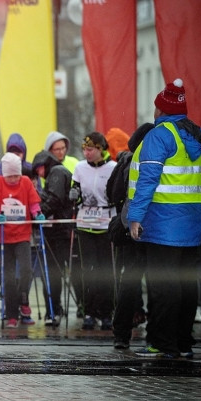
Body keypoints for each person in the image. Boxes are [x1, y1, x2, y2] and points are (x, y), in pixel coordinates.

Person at [129, 79, 201, 359]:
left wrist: (135, 217)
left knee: (163, 286)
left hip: (162, 223)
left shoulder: (160, 135)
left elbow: (147, 180)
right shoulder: (198, 136)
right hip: (191, 224)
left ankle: (162, 343)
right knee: (186, 285)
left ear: (161, 109)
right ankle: (183, 342)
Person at [108, 123, 153, 348]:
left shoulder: (126, 161)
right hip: (152, 229)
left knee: (129, 281)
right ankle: (156, 333)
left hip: (129, 229)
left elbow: (112, 193)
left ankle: (121, 333)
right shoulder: (151, 161)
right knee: (156, 282)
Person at [0, 152, 44, 326]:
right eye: (10, 176)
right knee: (9, 276)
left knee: (27, 271)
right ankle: (12, 314)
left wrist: (37, 213)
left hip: (22, 235)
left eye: (16, 176)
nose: (13, 179)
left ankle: (23, 299)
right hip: (3, 236)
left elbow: (33, 202)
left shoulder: (26, 182)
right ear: (4, 174)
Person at [70, 131, 117, 330]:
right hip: (85, 225)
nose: (86, 153)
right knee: (88, 270)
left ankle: (106, 313)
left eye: (90, 150)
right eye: (84, 149)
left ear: (100, 149)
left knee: (105, 270)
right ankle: (89, 312)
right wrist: (74, 194)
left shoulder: (113, 167)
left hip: (105, 225)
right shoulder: (80, 168)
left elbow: (118, 193)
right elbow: (75, 189)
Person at [33, 148, 74, 326]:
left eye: (38, 169)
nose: (39, 174)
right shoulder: (58, 173)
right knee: (57, 273)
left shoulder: (56, 172)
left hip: (60, 232)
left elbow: (54, 200)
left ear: (45, 164)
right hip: (61, 230)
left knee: (52, 273)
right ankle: (55, 309)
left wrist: (37, 214)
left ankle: (54, 310)